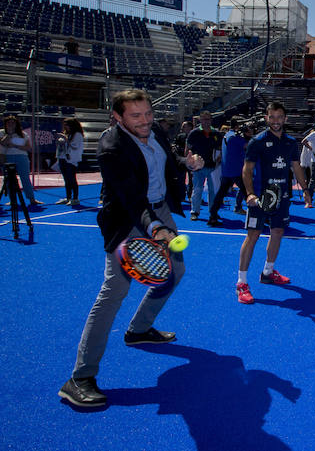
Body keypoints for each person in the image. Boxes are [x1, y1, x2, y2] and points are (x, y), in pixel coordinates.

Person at [58, 90, 204, 408]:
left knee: (175, 271)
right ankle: (79, 378)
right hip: (128, 218)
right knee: (114, 290)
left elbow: (167, 158)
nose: (144, 120)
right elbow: (130, 198)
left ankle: (139, 329)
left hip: (159, 210)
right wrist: (156, 228)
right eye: (135, 116)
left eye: (148, 113)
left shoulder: (156, 131)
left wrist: (187, 162)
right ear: (118, 117)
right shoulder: (112, 147)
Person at [235, 102, 308, 305]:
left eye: (279, 117)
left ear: (285, 119)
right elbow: (246, 170)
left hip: (282, 196)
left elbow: (296, 167)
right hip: (259, 198)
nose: (276, 121)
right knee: (253, 236)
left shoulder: (291, 143)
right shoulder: (257, 142)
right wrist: (249, 194)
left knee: (277, 232)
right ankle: (241, 283)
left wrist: (306, 189)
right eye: (272, 117)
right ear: (267, 118)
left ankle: (268, 272)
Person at [208, 119, 252, 226]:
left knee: (221, 194)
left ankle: (212, 215)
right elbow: (249, 146)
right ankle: (256, 216)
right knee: (248, 194)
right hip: (236, 170)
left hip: (227, 170)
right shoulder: (235, 138)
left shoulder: (227, 135)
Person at [185, 111, 220, 221]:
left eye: (208, 119)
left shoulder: (215, 133)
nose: (206, 121)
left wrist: (219, 159)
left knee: (213, 191)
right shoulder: (194, 133)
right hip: (198, 167)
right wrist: (189, 162)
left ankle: (213, 212)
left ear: (211, 120)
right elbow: (187, 149)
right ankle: (195, 211)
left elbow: (220, 149)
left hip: (212, 166)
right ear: (200, 120)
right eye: (204, 119)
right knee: (197, 189)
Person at [1, 115, 40, 206]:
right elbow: (3, 142)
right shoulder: (2, 133)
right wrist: (9, 134)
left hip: (22, 157)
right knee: (10, 180)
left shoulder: (23, 134)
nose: (11, 124)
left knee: (25, 178)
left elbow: (28, 147)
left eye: (13, 123)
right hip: (8, 157)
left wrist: (15, 146)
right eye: (9, 123)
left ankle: (31, 199)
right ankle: (12, 200)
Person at [55, 117, 85, 206]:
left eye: (67, 125)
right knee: (66, 179)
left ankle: (75, 198)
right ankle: (68, 197)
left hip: (71, 160)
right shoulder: (67, 134)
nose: (65, 127)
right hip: (63, 158)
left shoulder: (77, 135)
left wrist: (65, 139)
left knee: (72, 179)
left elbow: (75, 146)